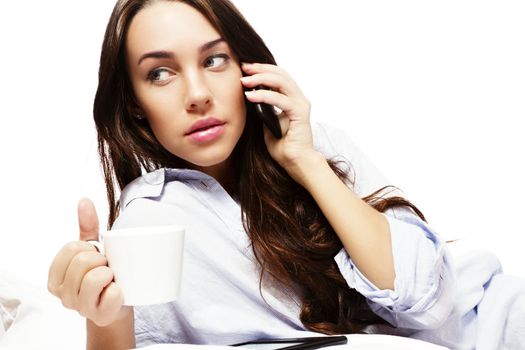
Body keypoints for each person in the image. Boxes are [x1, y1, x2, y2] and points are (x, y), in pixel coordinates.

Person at [47, 1, 525, 349]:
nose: (197, 93)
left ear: (245, 69)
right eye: (160, 74)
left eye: (214, 60)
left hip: (497, 317)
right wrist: (104, 321)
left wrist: (305, 161)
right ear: (133, 103)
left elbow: (431, 299)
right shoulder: (150, 224)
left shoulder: (314, 146)